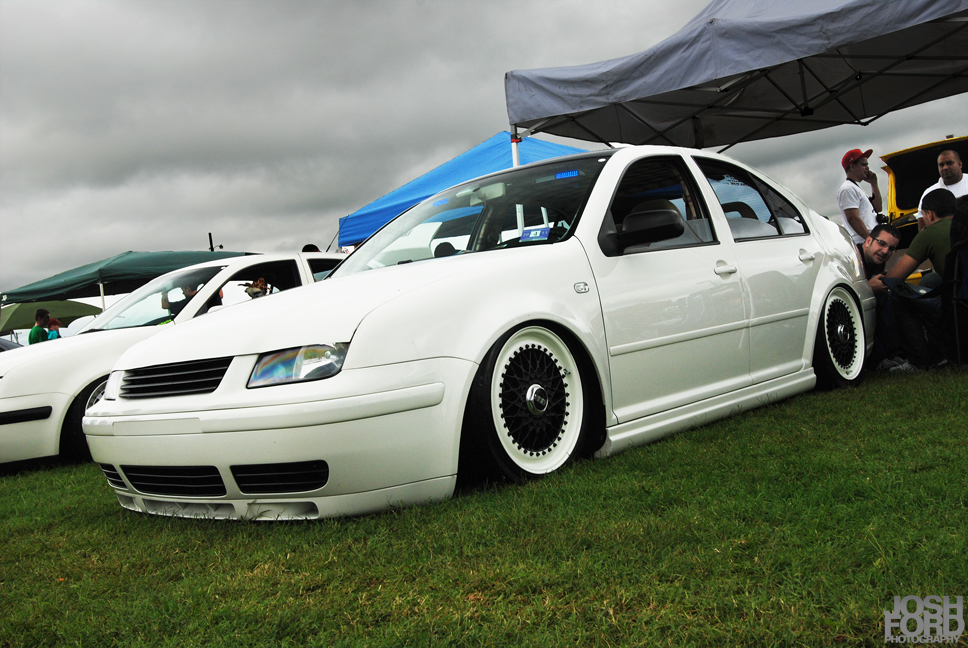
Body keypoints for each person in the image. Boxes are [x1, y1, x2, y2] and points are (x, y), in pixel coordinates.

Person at [883, 189, 957, 369]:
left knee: (899, 296)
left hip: (958, 304)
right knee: (930, 280)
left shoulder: (929, 234)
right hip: (960, 294)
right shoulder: (961, 226)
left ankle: (919, 360)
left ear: (929, 214)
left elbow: (895, 278)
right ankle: (941, 348)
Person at [861, 224, 903, 369]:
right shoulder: (850, 258)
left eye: (891, 248)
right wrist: (868, 288)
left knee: (889, 298)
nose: (885, 251)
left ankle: (894, 353)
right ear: (868, 241)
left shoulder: (877, 258)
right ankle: (878, 359)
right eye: (882, 243)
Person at [837, 148, 883, 249]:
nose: (867, 167)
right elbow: (853, 219)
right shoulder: (848, 188)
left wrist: (874, 183)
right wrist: (871, 241)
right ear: (852, 167)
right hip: (862, 242)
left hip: (866, 241)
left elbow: (878, 208)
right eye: (864, 164)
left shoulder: (856, 187)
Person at [916, 150, 967, 230]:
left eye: (949, 163)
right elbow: (922, 229)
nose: (945, 167)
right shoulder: (929, 193)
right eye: (941, 165)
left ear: (960, 164)